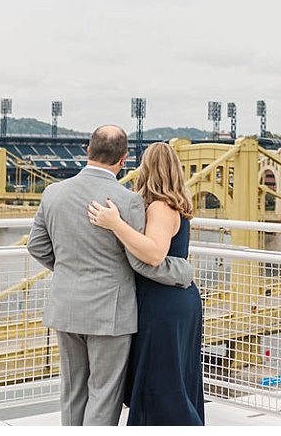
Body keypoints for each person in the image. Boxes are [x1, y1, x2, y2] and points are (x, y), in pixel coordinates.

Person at [26, 126, 194, 426]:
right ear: (123, 159)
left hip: (66, 306)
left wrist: (69, 270)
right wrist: (182, 270)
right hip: (110, 313)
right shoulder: (127, 201)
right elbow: (143, 263)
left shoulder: (53, 193)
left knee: (72, 391)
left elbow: (36, 246)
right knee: (104, 393)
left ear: (87, 151)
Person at [87, 141, 205, 426]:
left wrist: (114, 223)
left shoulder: (161, 207)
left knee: (162, 386)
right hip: (172, 301)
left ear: (146, 168)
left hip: (162, 304)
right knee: (174, 378)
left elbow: (153, 254)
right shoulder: (169, 204)